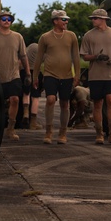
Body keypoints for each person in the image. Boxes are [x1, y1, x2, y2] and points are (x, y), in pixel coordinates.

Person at [32, 9, 80, 145]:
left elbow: (76, 56)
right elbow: (38, 58)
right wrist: (35, 76)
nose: (66, 22)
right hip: (50, 74)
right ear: (55, 21)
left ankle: (63, 133)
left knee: (65, 103)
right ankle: (48, 132)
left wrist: (77, 74)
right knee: (51, 99)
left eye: (66, 19)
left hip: (66, 75)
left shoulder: (72, 36)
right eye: (63, 19)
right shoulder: (45, 37)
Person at [0, 10, 29, 141]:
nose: (7, 21)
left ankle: (11, 129)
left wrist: (28, 73)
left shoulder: (18, 37)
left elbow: (23, 56)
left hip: (14, 75)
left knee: (15, 99)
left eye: (9, 19)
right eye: (4, 19)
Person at [80, 8, 111, 145]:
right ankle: (99, 133)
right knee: (98, 103)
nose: (93, 20)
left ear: (103, 19)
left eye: (95, 18)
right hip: (95, 75)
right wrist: (96, 56)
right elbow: (84, 56)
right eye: (92, 18)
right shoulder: (88, 35)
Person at [22, 42, 41, 129]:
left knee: (26, 93)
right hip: (35, 72)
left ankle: (25, 114)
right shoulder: (41, 49)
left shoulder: (29, 47)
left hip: (24, 71)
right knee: (35, 97)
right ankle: (33, 122)